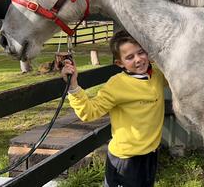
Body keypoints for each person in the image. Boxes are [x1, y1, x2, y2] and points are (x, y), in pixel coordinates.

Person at [61, 30, 167, 187]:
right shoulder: (117, 84)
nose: (138, 59)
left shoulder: (157, 75)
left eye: (141, 52)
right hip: (126, 160)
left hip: (150, 155)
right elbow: (89, 112)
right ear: (120, 63)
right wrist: (73, 86)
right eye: (130, 57)